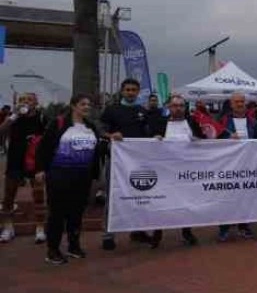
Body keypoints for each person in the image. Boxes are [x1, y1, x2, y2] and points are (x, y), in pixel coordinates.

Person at [35, 94, 101, 264]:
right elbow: (44, 147)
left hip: (82, 177)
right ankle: (53, 250)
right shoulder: (59, 123)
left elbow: (97, 150)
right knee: (57, 214)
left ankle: (73, 246)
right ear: (73, 106)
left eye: (89, 104)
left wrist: (94, 175)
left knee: (77, 213)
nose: (86, 107)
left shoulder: (91, 126)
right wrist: (40, 169)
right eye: (82, 104)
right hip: (59, 175)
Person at [99, 78, 152, 250]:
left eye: (133, 90)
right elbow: (100, 129)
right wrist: (111, 135)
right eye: (127, 89)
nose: (130, 92)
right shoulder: (111, 109)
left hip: (138, 162)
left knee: (140, 196)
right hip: (115, 160)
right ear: (122, 91)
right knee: (112, 196)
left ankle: (137, 231)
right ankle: (108, 234)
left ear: (138, 92)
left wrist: (156, 138)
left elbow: (149, 133)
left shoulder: (143, 111)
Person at [150, 95, 205, 248]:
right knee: (161, 202)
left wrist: (198, 140)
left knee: (186, 201)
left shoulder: (192, 122)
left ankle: (186, 231)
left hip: (186, 171)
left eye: (181, 105)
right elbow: (149, 142)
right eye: (175, 105)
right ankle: (157, 232)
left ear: (185, 107)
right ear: (169, 107)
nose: (178, 108)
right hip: (165, 171)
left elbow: (203, 141)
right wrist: (155, 138)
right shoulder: (160, 123)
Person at [0, 93, 47, 244]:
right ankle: (8, 228)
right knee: (8, 196)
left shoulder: (41, 118)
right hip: (15, 160)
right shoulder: (14, 119)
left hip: (35, 161)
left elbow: (49, 138)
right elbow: (1, 131)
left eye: (29, 100)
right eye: (22, 100)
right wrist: (12, 116)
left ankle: (40, 229)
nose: (25, 102)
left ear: (36, 103)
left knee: (38, 196)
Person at [216, 92, 257, 241]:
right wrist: (228, 137)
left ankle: (244, 226)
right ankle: (224, 228)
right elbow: (213, 138)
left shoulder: (253, 122)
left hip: (247, 165)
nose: (240, 104)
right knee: (226, 197)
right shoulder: (222, 120)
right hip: (228, 166)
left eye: (242, 102)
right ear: (231, 104)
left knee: (245, 197)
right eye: (236, 102)